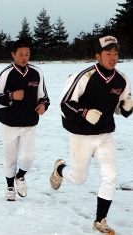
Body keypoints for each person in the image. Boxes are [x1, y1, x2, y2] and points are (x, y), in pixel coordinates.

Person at [50, 35, 133, 234]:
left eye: (115, 53)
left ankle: (100, 220)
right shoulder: (84, 76)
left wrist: (127, 107)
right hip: (81, 135)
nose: (113, 57)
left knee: (109, 176)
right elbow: (64, 104)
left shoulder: (121, 79)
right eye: (108, 53)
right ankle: (60, 169)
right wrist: (85, 113)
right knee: (79, 179)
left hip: (104, 135)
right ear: (97, 56)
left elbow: (121, 107)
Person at [0, 39, 50, 201]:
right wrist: (11, 96)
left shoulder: (37, 72)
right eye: (20, 54)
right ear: (13, 54)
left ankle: (20, 176)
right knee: (10, 157)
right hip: (9, 123)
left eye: (27, 54)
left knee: (28, 157)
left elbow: (44, 96)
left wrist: (43, 105)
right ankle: (10, 187)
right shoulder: (6, 73)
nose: (24, 58)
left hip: (29, 122)